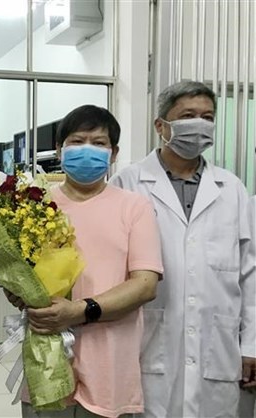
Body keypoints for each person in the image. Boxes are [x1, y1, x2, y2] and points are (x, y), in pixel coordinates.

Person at [110, 81, 256, 417]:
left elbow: (250, 274)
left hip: (218, 347)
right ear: (161, 126)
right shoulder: (129, 184)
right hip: (148, 343)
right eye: (188, 115)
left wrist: (250, 344)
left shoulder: (231, 188)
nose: (199, 124)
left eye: (207, 117)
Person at [11, 105, 164, 418]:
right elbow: (16, 271)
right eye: (77, 141)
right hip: (47, 357)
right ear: (59, 149)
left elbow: (145, 284)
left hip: (110, 361)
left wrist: (81, 311)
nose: (87, 150)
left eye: (98, 143)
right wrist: (18, 291)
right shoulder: (35, 204)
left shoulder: (134, 207)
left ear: (114, 152)